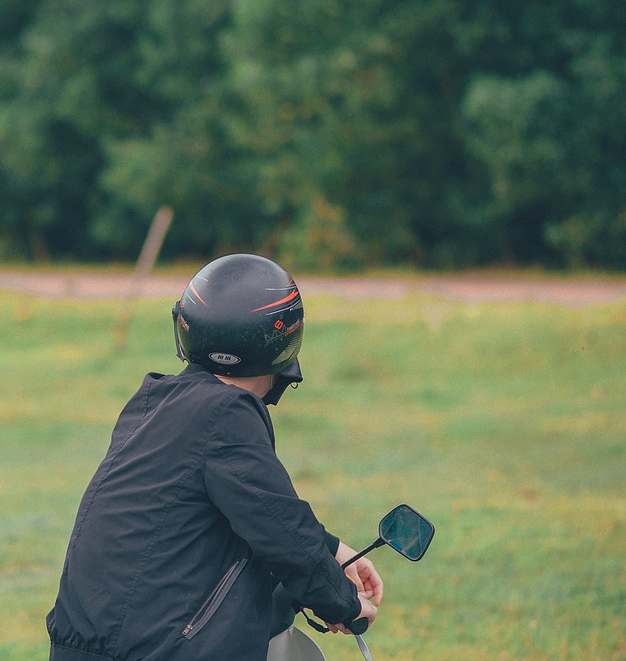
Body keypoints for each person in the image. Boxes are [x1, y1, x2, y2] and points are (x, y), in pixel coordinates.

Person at [47, 253, 382, 661]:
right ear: (286, 338)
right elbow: (278, 527)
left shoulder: (153, 403)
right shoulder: (227, 412)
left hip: (83, 646)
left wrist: (335, 551)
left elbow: (253, 512)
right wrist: (344, 604)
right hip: (159, 650)